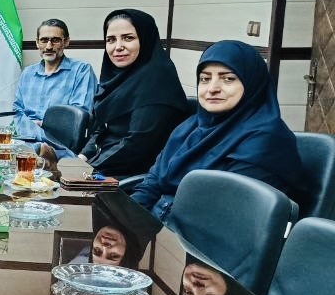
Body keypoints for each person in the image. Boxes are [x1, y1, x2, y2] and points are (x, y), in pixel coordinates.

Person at [129, 40, 303, 221]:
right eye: (205, 79)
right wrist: (126, 217)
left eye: (228, 79)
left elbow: (223, 211)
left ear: (252, 83)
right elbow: (152, 182)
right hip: (159, 224)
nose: (212, 89)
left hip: (204, 233)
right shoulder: (190, 127)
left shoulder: (266, 140)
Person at [79, 9, 189, 178]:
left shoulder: (157, 78)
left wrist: (86, 171)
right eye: (111, 40)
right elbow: (102, 128)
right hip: (103, 164)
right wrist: (81, 158)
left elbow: (136, 145)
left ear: (145, 39)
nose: (118, 47)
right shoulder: (116, 78)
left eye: (128, 38)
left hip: (134, 175)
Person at [12, 18, 97, 157]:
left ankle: (43, 153)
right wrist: (34, 129)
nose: (49, 46)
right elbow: (17, 110)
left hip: (59, 144)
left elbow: (78, 115)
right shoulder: (28, 73)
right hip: (26, 139)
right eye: (44, 40)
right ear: (37, 43)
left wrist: (43, 125)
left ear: (66, 42)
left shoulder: (81, 70)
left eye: (55, 40)